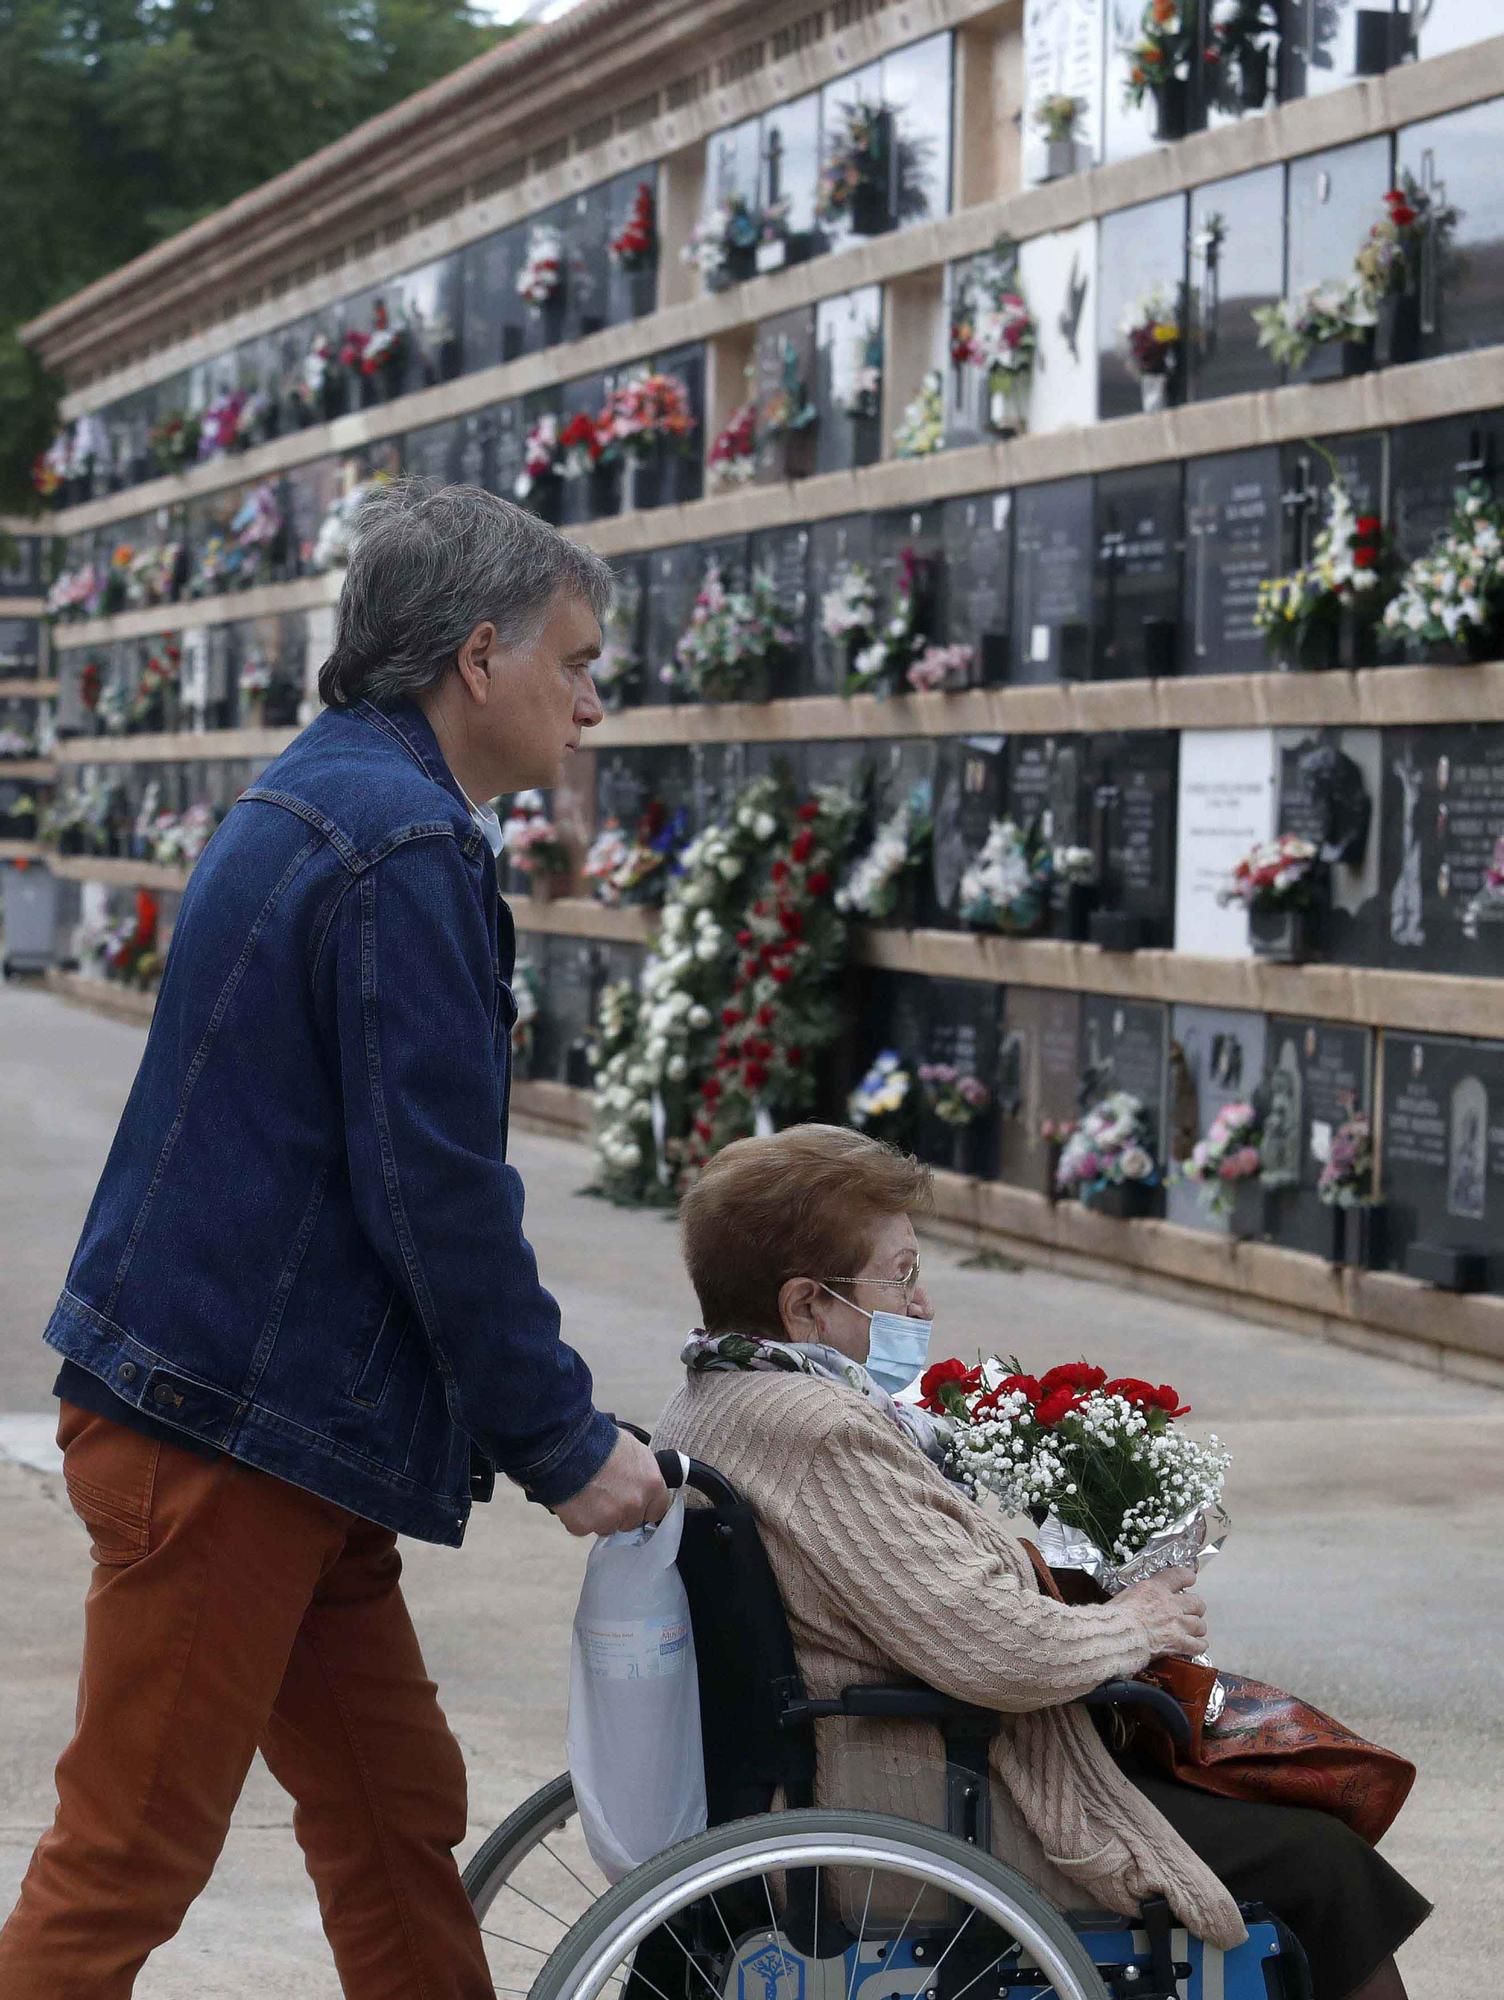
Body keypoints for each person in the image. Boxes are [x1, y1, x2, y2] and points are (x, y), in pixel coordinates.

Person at [0, 481, 669, 2000]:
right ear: (479, 656)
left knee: (390, 1813)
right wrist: (563, 1441)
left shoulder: (329, 796)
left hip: (287, 1426)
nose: (593, 699)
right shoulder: (402, 845)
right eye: (575, 660)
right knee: (128, 1864)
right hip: (226, 1436)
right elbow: (434, 1193)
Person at [653, 1123, 1429, 2000]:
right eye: (899, 1275)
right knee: (1324, 1865)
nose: (922, 1305)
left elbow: (929, 1603)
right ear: (806, 1307)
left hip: (874, 1763)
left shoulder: (717, 1398)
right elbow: (991, 1651)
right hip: (935, 1799)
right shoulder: (819, 1431)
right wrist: (1130, 1627)